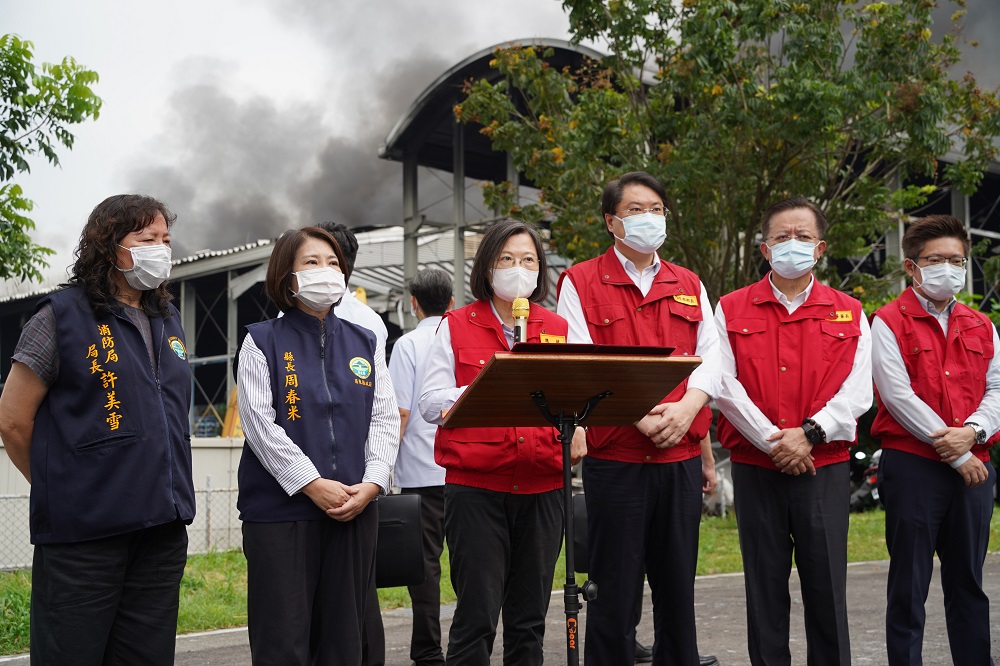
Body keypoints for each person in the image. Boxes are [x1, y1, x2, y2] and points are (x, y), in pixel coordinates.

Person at [0, 194, 195, 665]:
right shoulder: (60, 316)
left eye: (166, 240)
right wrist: (60, 485)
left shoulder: (167, 319)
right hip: (84, 536)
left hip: (161, 532)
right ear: (108, 245)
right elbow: (13, 419)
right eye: (147, 239)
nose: (161, 249)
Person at [557, 171, 721, 666]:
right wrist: (636, 415)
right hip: (618, 458)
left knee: (678, 586)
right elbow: (581, 361)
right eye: (635, 210)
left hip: (680, 455)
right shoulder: (581, 281)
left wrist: (689, 407)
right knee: (614, 587)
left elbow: (712, 357)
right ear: (611, 221)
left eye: (656, 209)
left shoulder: (688, 282)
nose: (649, 218)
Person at [714, 196, 872, 666]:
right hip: (756, 467)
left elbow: (858, 390)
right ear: (765, 249)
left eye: (803, 236)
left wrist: (810, 434)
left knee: (827, 588)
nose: (792, 244)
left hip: (824, 467)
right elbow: (723, 385)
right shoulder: (730, 308)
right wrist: (775, 442)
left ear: (820, 248)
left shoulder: (848, 311)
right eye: (781, 236)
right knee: (764, 589)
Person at [418, 218, 580, 666]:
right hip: (477, 491)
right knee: (477, 615)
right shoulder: (455, 325)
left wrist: (582, 426)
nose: (518, 268)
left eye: (528, 259)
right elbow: (430, 403)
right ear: (487, 267)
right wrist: (491, 387)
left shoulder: (557, 327)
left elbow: (580, 390)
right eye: (506, 259)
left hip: (544, 488)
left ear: (540, 268)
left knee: (529, 622)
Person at [236, 226, 400, 665]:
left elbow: (384, 417)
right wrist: (311, 483)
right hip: (281, 514)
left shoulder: (365, 341)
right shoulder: (261, 341)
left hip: (353, 509)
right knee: (283, 639)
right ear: (286, 276)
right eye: (311, 262)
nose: (325, 271)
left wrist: (373, 482)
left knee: (346, 640)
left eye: (333, 263)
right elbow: (259, 424)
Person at [870, 214, 998, 665]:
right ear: (912, 266)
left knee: (969, 583)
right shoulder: (887, 321)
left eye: (957, 260)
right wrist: (957, 453)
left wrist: (973, 433)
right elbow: (897, 395)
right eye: (936, 260)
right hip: (914, 466)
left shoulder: (981, 325)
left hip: (975, 467)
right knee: (909, 585)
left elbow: (996, 389)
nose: (949, 268)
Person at [319, 221, 389, 666]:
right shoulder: (371, 319)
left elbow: (382, 407)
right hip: (347, 478)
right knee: (356, 591)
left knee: (349, 594)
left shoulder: (363, 324)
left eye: (326, 260)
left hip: (350, 478)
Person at [388, 267, 454, 666]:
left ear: (414, 304)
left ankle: (428, 651)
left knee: (426, 567)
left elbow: (399, 413)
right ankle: (468, 646)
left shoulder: (408, 344)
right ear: (452, 302)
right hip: (462, 470)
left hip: (418, 474)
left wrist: (382, 468)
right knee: (469, 563)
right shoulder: (460, 336)